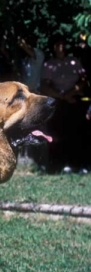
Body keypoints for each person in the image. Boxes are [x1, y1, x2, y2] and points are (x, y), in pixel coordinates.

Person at [40, 35, 89, 173]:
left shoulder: (74, 62)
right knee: (58, 134)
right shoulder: (50, 64)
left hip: (74, 100)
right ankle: (58, 165)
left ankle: (79, 165)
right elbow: (44, 86)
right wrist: (62, 96)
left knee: (77, 134)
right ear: (54, 48)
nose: (61, 48)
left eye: (63, 45)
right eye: (58, 45)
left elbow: (83, 80)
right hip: (59, 102)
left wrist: (71, 93)